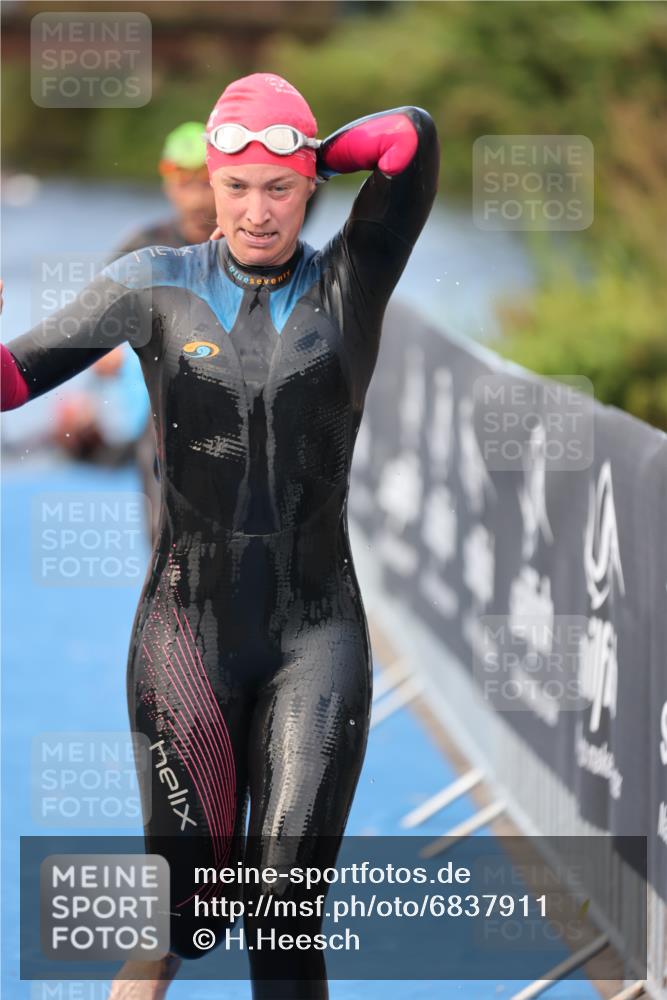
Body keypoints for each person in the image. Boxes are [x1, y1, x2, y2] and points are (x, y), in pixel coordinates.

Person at [1, 73, 439, 998]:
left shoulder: (352, 276)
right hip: (183, 638)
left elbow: (409, 136)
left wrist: (298, 147)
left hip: (315, 636)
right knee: (187, 920)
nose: (254, 209)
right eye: (235, 184)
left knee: (283, 923)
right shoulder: (151, 282)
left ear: (309, 187)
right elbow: (14, 382)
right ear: (210, 179)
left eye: (278, 188)